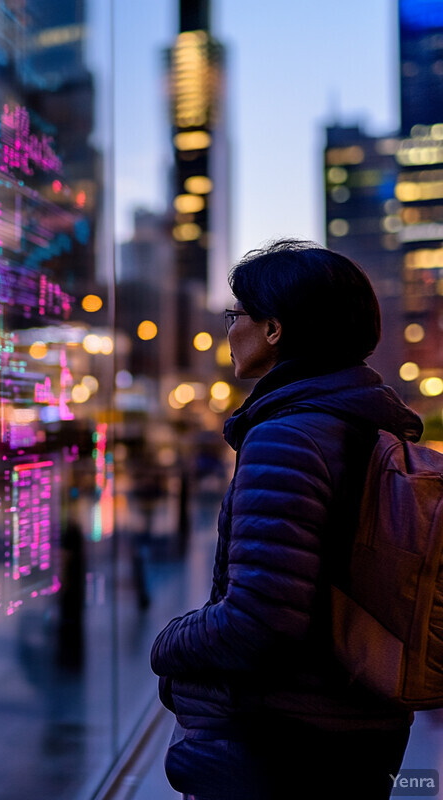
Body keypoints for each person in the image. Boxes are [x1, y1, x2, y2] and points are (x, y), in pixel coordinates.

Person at [150, 239, 422, 800]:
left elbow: (261, 619)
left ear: (275, 329)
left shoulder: (289, 435)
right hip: (357, 723)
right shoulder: (363, 421)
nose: (231, 329)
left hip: (283, 739)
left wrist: (168, 645)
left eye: (237, 314)